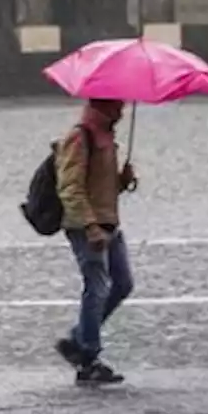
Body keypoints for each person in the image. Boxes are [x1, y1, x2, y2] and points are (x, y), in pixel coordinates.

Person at [52, 98, 138, 385]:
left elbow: (99, 185)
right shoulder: (80, 137)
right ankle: (88, 358)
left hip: (108, 222)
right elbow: (70, 188)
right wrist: (90, 226)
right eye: (118, 107)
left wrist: (121, 181)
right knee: (97, 288)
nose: (123, 111)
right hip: (88, 227)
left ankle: (78, 339)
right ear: (104, 108)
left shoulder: (105, 138)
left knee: (122, 283)